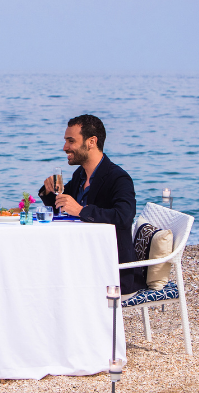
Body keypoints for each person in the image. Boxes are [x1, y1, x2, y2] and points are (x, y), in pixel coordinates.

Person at [38, 114, 138, 295]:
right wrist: (48, 191)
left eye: (71, 141)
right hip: (82, 260)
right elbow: (61, 206)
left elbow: (124, 217)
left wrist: (81, 210)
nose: (65, 147)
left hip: (110, 271)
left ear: (91, 141)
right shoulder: (80, 175)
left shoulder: (119, 178)